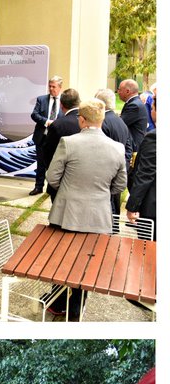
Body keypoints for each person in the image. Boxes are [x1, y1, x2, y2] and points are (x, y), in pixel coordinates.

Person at [46, 99, 127, 319]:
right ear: (101, 120)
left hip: (66, 214)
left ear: (81, 120)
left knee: (60, 259)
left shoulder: (68, 143)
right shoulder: (117, 148)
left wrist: (70, 191)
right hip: (98, 217)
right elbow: (120, 186)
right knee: (87, 266)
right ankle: (76, 310)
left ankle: (57, 302)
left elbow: (52, 177)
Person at [95, 88, 132, 217]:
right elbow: (128, 148)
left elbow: (99, 150)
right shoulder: (120, 121)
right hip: (117, 173)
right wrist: (123, 168)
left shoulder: (102, 123)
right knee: (114, 210)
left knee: (106, 212)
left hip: (105, 176)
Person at [41, 88, 81, 203]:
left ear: (61, 105)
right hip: (81, 180)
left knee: (57, 215)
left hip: (60, 179)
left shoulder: (57, 125)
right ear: (78, 102)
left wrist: (52, 172)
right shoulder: (87, 122)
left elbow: (47, 152)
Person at [127, 93, 156, 239]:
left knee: (146, 251)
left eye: (151, 108)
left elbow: (145, 174)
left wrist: (132, 206)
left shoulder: (154, 137)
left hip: (153, 209)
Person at [29, 76, 63, 195]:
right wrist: (46, 121)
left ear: (60, 87)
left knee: (55, 165)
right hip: (42, 137)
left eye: (54, 87)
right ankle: (38, 186)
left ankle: (53, 188)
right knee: (41, 164)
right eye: (50, 86)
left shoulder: (64, 101)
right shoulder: (41, 99)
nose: (51, 89)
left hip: (57, 139)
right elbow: (34, 115)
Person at [118, 78, 149, 158]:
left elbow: (120, 123)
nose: (118, 92)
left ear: (127, 91)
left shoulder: (134, 105)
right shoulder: (134, 103)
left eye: (120, 90)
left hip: (133, 148)